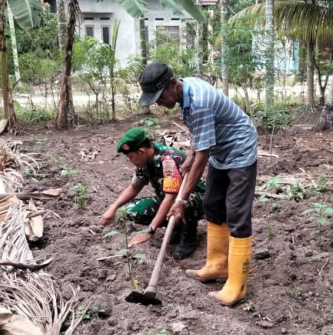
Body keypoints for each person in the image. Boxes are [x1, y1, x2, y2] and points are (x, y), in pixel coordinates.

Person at [138, 62, 258, 306]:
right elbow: (199, 136)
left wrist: (181, 200)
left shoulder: (200, 101)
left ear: (173, 83)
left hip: (240, 150)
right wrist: (190, 156)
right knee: (213, 205)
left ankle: (238, 286)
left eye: (160, 98)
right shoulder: (186, 95)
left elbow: (204, 155)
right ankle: (217, 265)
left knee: (236, 213)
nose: (159, 104)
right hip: (221, 151)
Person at [100, 127, 204, 260]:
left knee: (185, 201)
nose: (130, 161)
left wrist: (151, 230)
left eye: (131, 157)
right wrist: (113, 208)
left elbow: (171, 198)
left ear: (141, 151)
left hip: (193, 199)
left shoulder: (168, 160)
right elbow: (134, 187)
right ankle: (177, 227)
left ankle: (189, 238)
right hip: (167, 199)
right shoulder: (144, 162)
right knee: (131, 211)